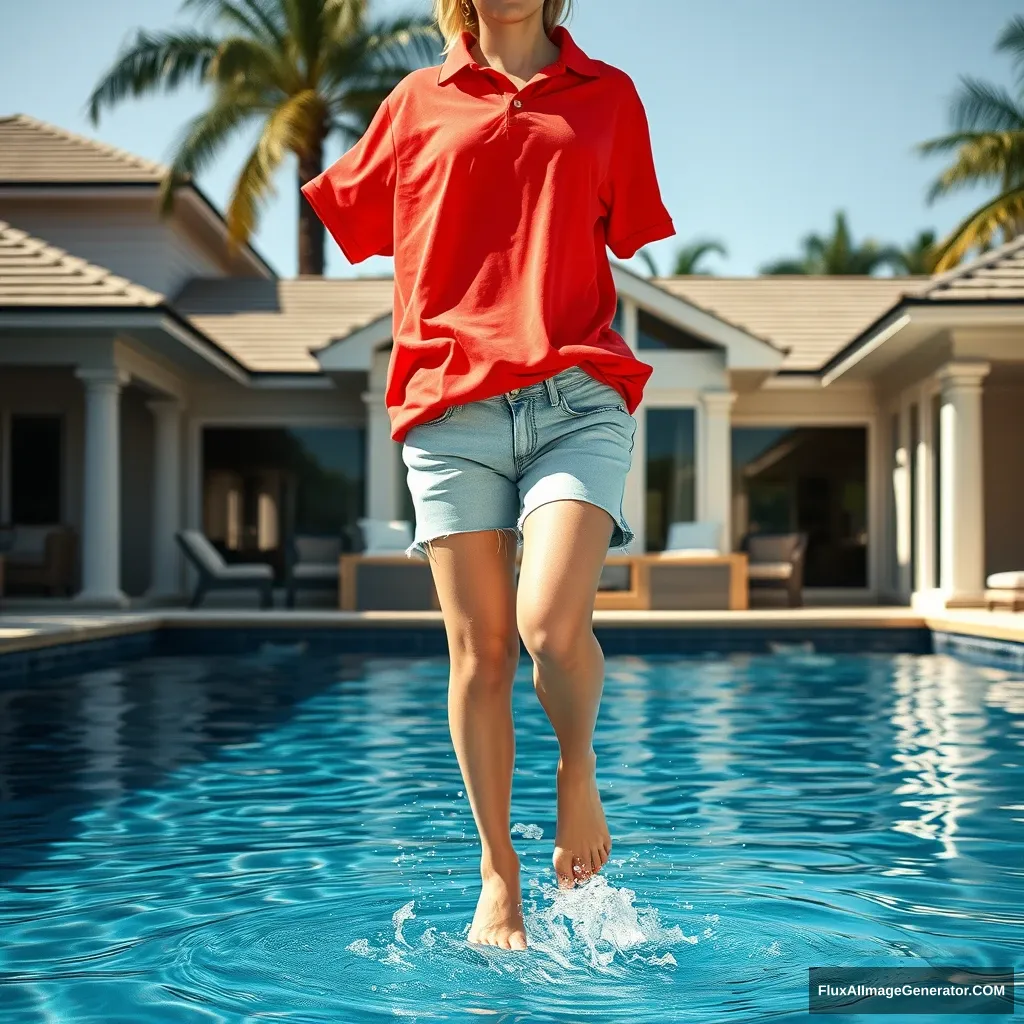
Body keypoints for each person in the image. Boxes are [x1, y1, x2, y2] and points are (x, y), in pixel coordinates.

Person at [302, 0, 673, 951]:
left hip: (576, 393)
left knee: (550, 624)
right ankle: (497, 875)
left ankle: (577, 766)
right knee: (483, 655)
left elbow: (628, 227)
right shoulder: (416, 100)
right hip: (449, 407)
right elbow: (350, 218)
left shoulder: (609, 98)